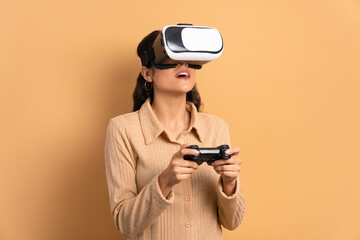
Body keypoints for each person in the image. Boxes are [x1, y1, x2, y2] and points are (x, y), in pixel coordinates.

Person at [105, 29, 245, 240]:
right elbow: (124, 223)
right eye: (172, 59)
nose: (183, 66)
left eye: (189, 61)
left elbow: (232, 222)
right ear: (148, 73)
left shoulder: (216, 127)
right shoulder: (123, 129)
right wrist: (165, 180)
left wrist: (229, 183)